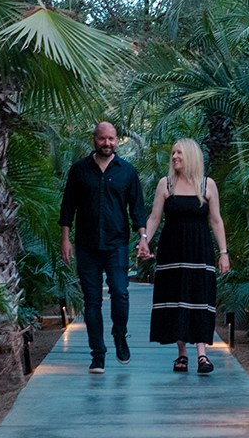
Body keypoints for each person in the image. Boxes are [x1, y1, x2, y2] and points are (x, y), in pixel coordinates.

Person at [58, 121, 146, 374]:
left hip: (117, 244)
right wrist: (66, 239)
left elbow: (137, 209)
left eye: (111, 139)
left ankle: (120, 335)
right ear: (93, 139)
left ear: (117, 140)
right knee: (92, 301)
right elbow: (67, 208)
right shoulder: (79, 170)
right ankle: (98, 354)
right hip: (86, 246)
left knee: (120, 293)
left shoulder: (127, 171)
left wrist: (142, 237)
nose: (107, 143)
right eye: (102, 139)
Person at [138, 137, 230, 374]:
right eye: (173, 154)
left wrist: (224, 253)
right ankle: (181, 355)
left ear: (191, 156)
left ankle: (202, 355)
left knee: (200, 297)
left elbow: (216, 220)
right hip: (172, 250)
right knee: (177, 297)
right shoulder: (165, 184)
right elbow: (154, 217)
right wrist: (145, 240)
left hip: (200, 250)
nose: (175, 157)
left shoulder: (207, 185)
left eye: (179, 153)